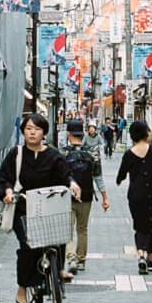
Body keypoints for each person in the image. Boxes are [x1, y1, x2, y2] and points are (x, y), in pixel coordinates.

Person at [0, 113, 77, 303]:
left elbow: (66, 176)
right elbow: (4, 178)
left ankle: (56, 270)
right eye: (29, 128)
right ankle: (22, 289)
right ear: (23, 131)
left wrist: (73, 184)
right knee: (28, 246)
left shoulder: (54, 155)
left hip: (48, 208)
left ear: (44, 133)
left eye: (37, 129)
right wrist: (6, 192)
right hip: (23, 208)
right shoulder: (16, 153)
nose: (32, 132)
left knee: (58, 238)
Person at [115, 118, 152, 275]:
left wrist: (120, 180)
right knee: (150, 225)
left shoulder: (129, 154)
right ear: (146, 133)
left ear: (132, 135)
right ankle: (150, 259)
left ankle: (141, 255)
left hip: (135, 195)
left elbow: (121, 175)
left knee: (139, 225)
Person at [59, 118, 108, 276]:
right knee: (82, 229)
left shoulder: (62, 153)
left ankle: (71, 258)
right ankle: (81, 260)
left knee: (67, 230)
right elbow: (98, 177)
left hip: (66, 197)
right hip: (86, 196)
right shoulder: (91, 154)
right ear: (82, 133)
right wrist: (105, 198)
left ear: (68, 133)